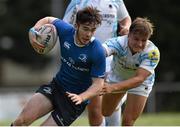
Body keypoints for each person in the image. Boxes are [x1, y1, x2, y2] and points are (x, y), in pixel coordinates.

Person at [11, 6, 106, 126]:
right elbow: (48, 19)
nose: (88, 34)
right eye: (85, 29)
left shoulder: (97, 50)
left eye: (92, 30)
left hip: (72, 102)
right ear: (76, 26)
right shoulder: (66, 31)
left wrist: (81, 97)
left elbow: (98, 85)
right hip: (56, 87)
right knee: (21, 121)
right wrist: (34, 30)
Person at [63, 0, 131, 126]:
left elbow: (126, 18)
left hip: (111, 59)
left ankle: (116, 102)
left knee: (108, 105)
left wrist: (126, 27)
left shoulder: (116, 1)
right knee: (95, 110)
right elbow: (65, 27)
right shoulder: (77, 2)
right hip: (86, 59)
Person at [100, 17, 160, 126]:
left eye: (144, 40)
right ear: (129, 35)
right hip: (118, 76)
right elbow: (99, 53)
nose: (140, 44)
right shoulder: (117, 43)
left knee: (128, 121)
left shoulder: (152, 53)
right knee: (105, 112)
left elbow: (139, 79)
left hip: (141, 83)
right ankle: (120, 100)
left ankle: (122, 95)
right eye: (136, 39)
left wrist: (112, 88)